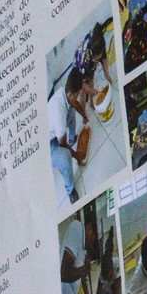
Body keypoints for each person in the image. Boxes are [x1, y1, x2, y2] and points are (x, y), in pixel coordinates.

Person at [48, 62, 92, 202]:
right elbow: (62, 145)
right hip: (49, 145)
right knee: (65, 156)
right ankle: (70, 189)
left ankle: (72, 139)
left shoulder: (64, 93)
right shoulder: (58, 112)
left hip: (55, 131)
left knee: (72, 112)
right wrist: (77, 156)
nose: (79, 96)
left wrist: (85, 116)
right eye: (78, 94)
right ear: (71, 93)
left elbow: (75, 103)